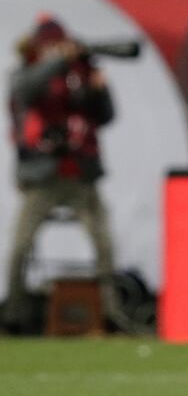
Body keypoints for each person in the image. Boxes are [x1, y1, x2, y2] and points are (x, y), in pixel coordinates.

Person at [4, 16, 119, 333]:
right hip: (41, 177)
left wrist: (99, 89)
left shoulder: (78, 76)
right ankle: (15, 314)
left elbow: (105, 116)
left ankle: (111, 313)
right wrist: (58, 61)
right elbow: (25, 92)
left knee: (104, 244)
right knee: (20, 246)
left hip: (81, 175)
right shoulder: (26, 72)